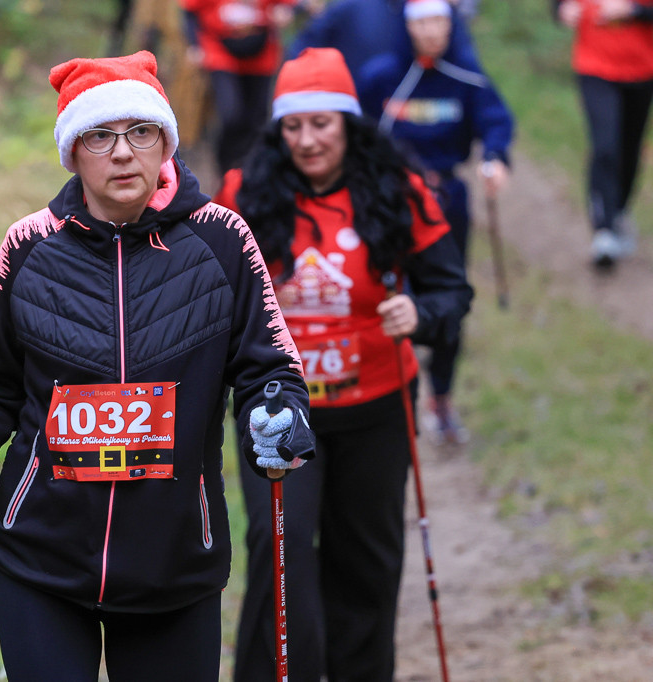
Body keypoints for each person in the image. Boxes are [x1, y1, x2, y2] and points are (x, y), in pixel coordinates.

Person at [0, 51, 315, 682]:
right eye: (100, 136)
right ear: (73, 152)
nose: (123, 153)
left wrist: (278, 415)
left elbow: (270, 370)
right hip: (41, 559)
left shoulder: (222, 240)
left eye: (140, 133)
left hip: (173, 565)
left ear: (166, 143)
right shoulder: (28, 246)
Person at [214, 47, 473, 681]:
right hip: (278, 410)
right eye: (293, 126)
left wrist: (419, 312)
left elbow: (451, 292)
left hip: (376, 406)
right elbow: (210, 289)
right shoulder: (244, 191)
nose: (307, 140)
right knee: (280, 548)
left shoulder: (397, 189)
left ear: (349, 123)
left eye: (322, 123)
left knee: (367, 562)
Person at [358, 0, 513, 445]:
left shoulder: (466, 77)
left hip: (447, 202)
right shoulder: (381, 78)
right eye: (422, 22)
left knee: (447, 297)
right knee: (389, 296)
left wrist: (495, 158)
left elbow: (496, 121)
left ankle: (441, 397)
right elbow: (355, 132)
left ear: (451, 26)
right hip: (391, 204)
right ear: (407, 27)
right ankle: (392, 394)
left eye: (440, 22)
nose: (432, 32)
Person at [553, 0, 653, 268]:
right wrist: (561, 9)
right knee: (605, 146)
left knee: (629, 149)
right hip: (594, 67)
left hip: (643, 69)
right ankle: (604, 230)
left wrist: (634, 11)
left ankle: (619, 210)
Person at [179, 0, 298, 178]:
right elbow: (189, 11)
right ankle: (225, 168)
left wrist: (285, 12)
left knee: (256, 119)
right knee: (231, 114)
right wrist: (194, 46)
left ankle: (246, 171)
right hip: (220, 53)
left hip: (261, 55)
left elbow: (290, 6)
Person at [286, 0, 482, 94]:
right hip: (360, 117)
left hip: (423, 123)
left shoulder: (434, 12)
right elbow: (301, 51)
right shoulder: (351, 7)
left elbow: (466, 67)